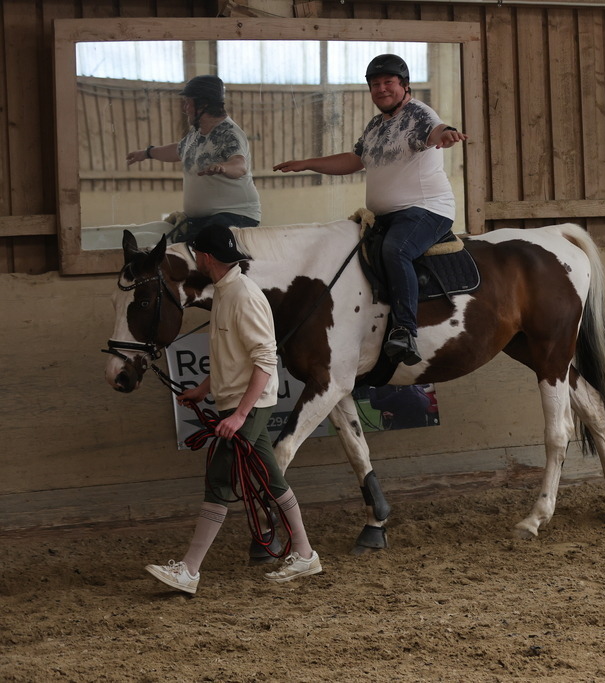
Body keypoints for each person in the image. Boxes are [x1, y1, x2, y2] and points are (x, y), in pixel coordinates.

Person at [144, 224, 321, 594]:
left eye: (197, 252)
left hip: (247, 406)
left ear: (206, 257)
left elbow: (265, 359)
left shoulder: (243, 296)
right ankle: (305, 554)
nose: (196, 258)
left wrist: (240, 415)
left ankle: (189, 569)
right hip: (237, 403)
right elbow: (232, 356)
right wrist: (202, 390)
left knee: (219, 481)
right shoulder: (225, 292)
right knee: (272, 479)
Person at [273, 54, 468, 366]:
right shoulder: (376, 125)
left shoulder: (419, 114)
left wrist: (448, 133)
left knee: (396, 250)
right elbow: (355, 160)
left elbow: (437, 130)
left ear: (405, 86)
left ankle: (405, 330)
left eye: (388, 82)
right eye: (375, 84)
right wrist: (307, 163)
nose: (381, 89)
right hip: (387, 217)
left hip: (426, 211)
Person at [126, 75, 261, 244]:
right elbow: (178, 150)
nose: (185, 108)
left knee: (202, 246)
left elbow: (239, 165)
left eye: (188, 103)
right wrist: (147, 153)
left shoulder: (229, 133)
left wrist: (223, 167)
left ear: (203, 105)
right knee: (177, 247)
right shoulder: (196, 134)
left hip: (235, 215)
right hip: (204, 219)